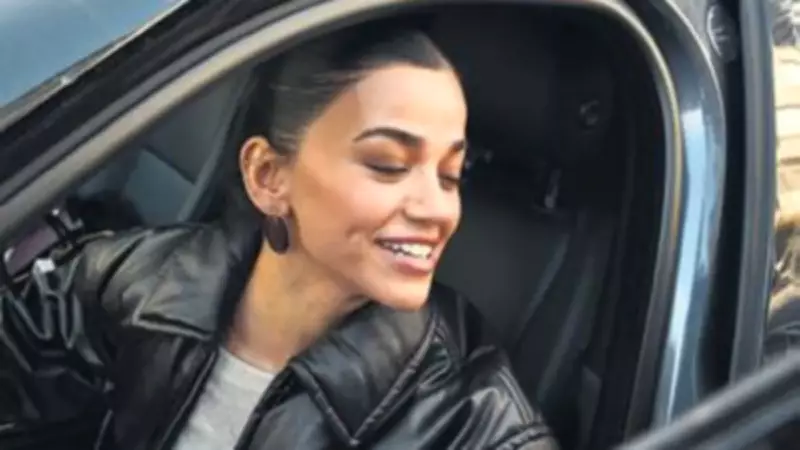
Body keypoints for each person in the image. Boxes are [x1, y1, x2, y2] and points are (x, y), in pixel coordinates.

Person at [0, 23, 559, 449]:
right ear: (268, 176)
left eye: (451, 176)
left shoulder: (474, 425)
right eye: (388, 165)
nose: (438, 209)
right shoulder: (140, 284)